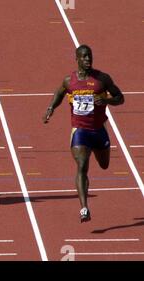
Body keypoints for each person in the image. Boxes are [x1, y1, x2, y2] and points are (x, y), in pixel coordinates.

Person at [43, 44, 124, 223]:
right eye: (84, 56)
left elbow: (121, 98)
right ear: (77, 59)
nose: (88, 59)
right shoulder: (69, 81)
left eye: (90, 56)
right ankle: (84, 208)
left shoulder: (102, 79)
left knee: (104, 165)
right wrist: (50, 109)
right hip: (80, 131)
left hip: (99, 131)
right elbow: (59, 94)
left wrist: (107, 100)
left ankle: (96, 150)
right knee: (81, 166)